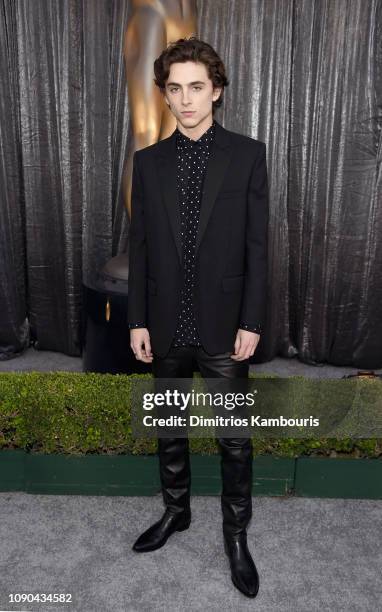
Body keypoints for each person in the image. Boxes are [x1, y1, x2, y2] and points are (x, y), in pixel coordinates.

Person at [127, 36, 269, 599]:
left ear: (217, 91)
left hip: (225, 323)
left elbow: (257, 247)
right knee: (169, 428)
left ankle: (236, 535)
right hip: (164, 324)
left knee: (234, 438)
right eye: (175, 89)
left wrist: (252, 320)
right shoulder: (147, 162)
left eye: (197, 88)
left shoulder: (247, 154)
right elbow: (137, 247)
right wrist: (137, 319)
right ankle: (176, 513)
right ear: (163, 94)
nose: (186, 100)